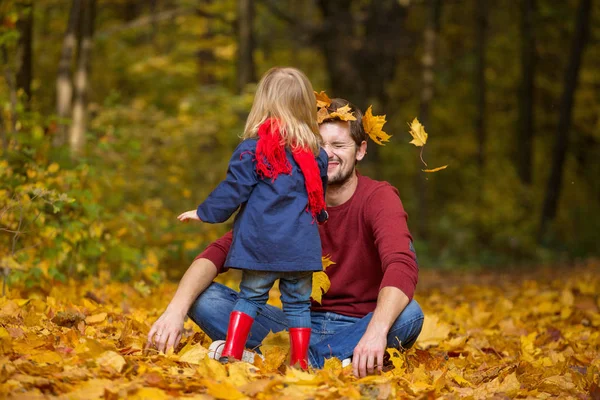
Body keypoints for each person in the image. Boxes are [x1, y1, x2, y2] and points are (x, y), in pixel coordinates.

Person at [147, 98, 424, 378]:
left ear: (361, 150)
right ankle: (316, 362)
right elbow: (219, 251)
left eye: (338, 146)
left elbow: (401, 264)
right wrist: (174, 311)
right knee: (203, 298)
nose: (327, 155)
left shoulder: (378, 197)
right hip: (291, 323)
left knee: (409, 314)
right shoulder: (285, 193)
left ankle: (277, 359)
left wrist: (376, 331)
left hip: (358, 326)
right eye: (318, 145)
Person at [175, 67, 329, 369]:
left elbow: (234, 189)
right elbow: (317, 198)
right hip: (300, 249)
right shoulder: (316, 155)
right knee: (298, 305)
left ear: (264, 104)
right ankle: (299, 363)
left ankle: (232, 353)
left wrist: (205, 212)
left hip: (261, 248)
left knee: (250, 297)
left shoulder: (253, 151)